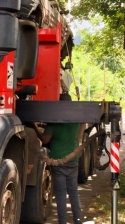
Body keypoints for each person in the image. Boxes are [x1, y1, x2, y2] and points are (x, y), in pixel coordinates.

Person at [35, 93, 83, 224]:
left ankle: (62, 222)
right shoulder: (76, 121)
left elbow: (45, 139)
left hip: (57, 162)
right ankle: (77, 220)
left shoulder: (54, 123)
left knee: (61, 193)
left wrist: (34, 127)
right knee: (73, 192)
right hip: (72, 161)